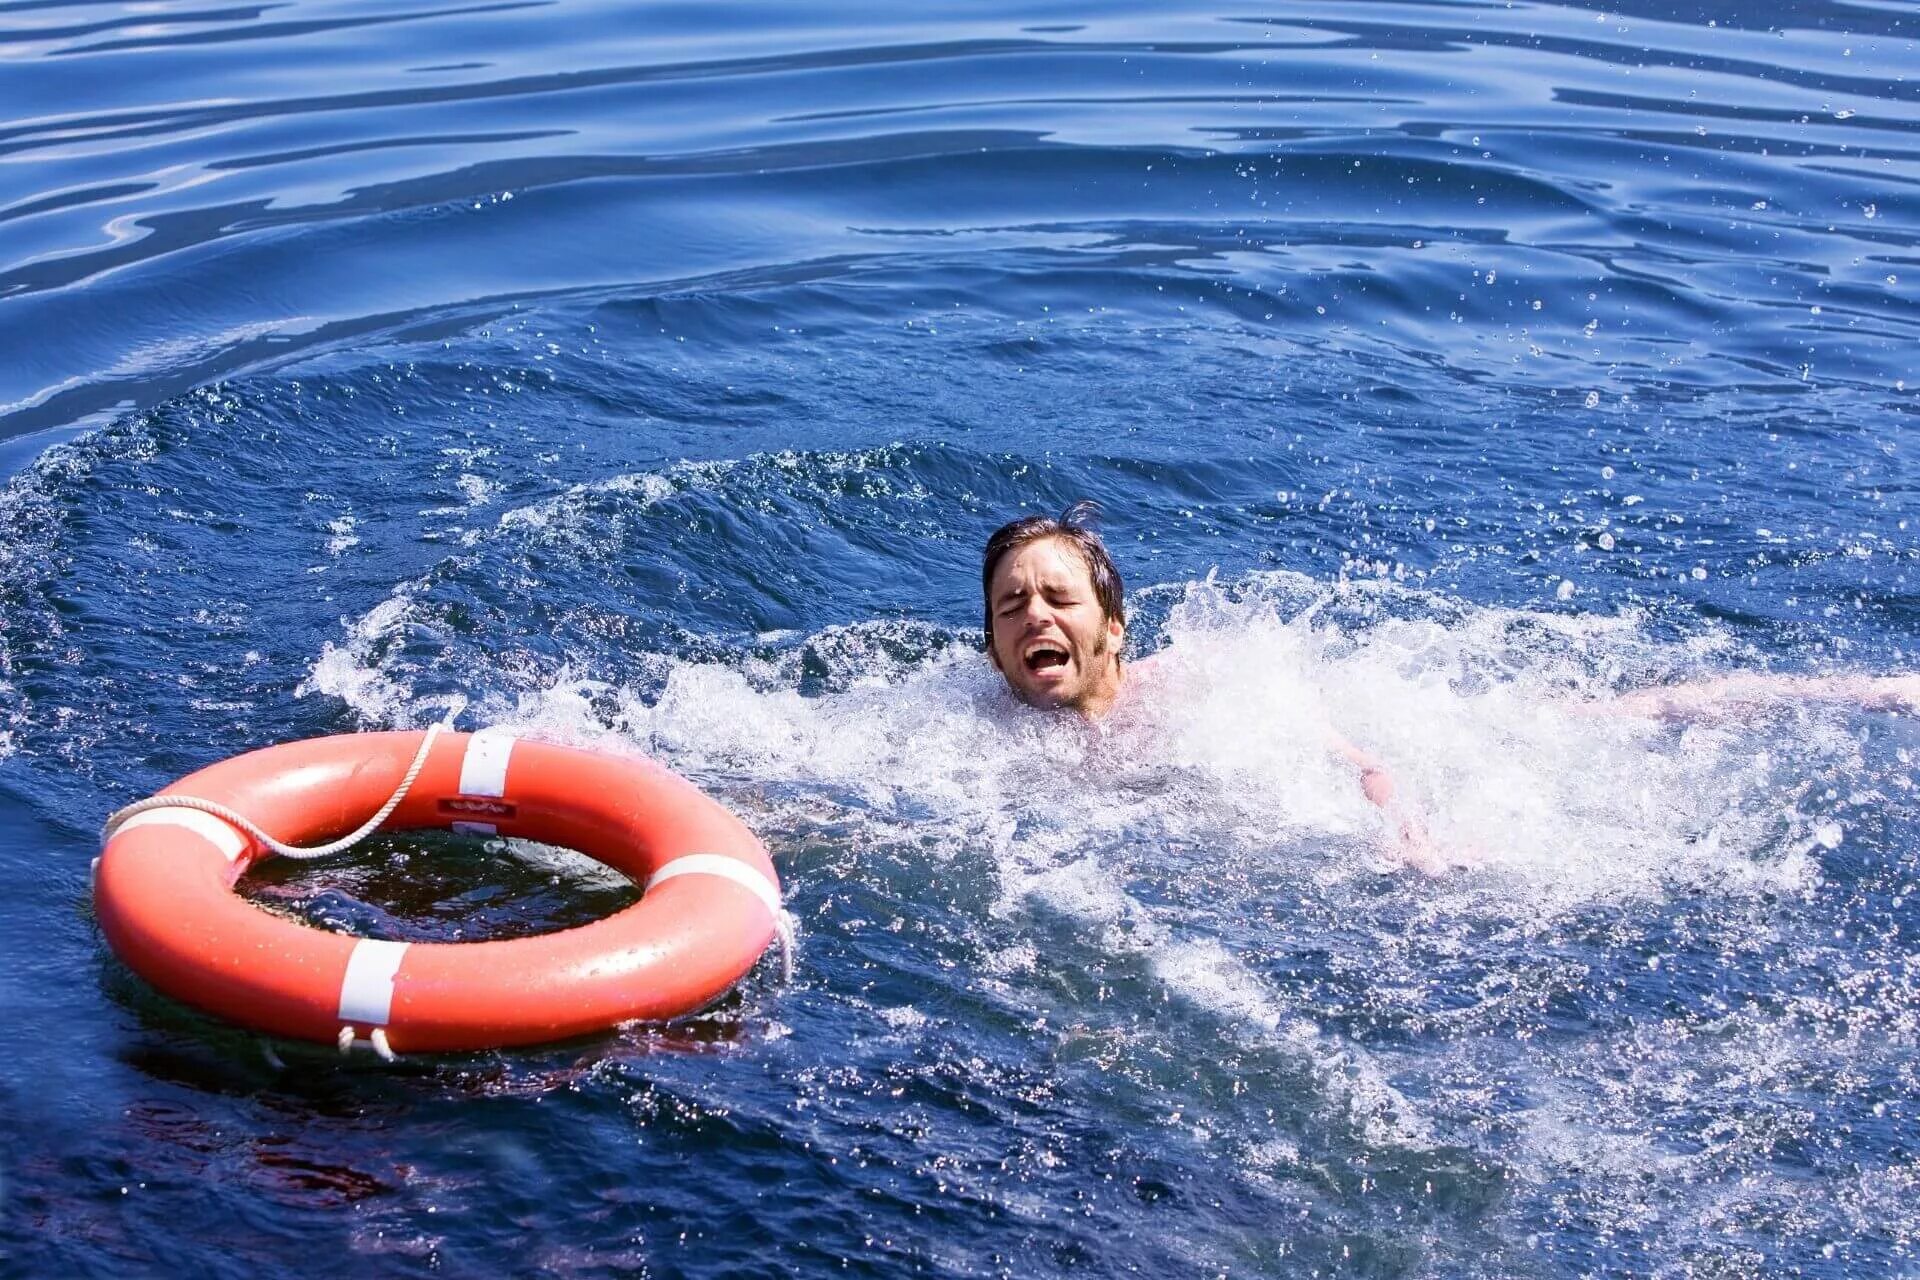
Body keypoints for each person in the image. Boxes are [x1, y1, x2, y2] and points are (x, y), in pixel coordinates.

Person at [981, 501, 1918, 872]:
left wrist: (1405, 826)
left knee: (1617, 718)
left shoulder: (1203, 683)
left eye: (1057, 597)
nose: (1034, 618)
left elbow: (1358, 762)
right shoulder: (973, 729)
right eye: (1011, 607)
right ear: (990, 645)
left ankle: (1860, 691)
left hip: (1411, 721)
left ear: (1113, 629)